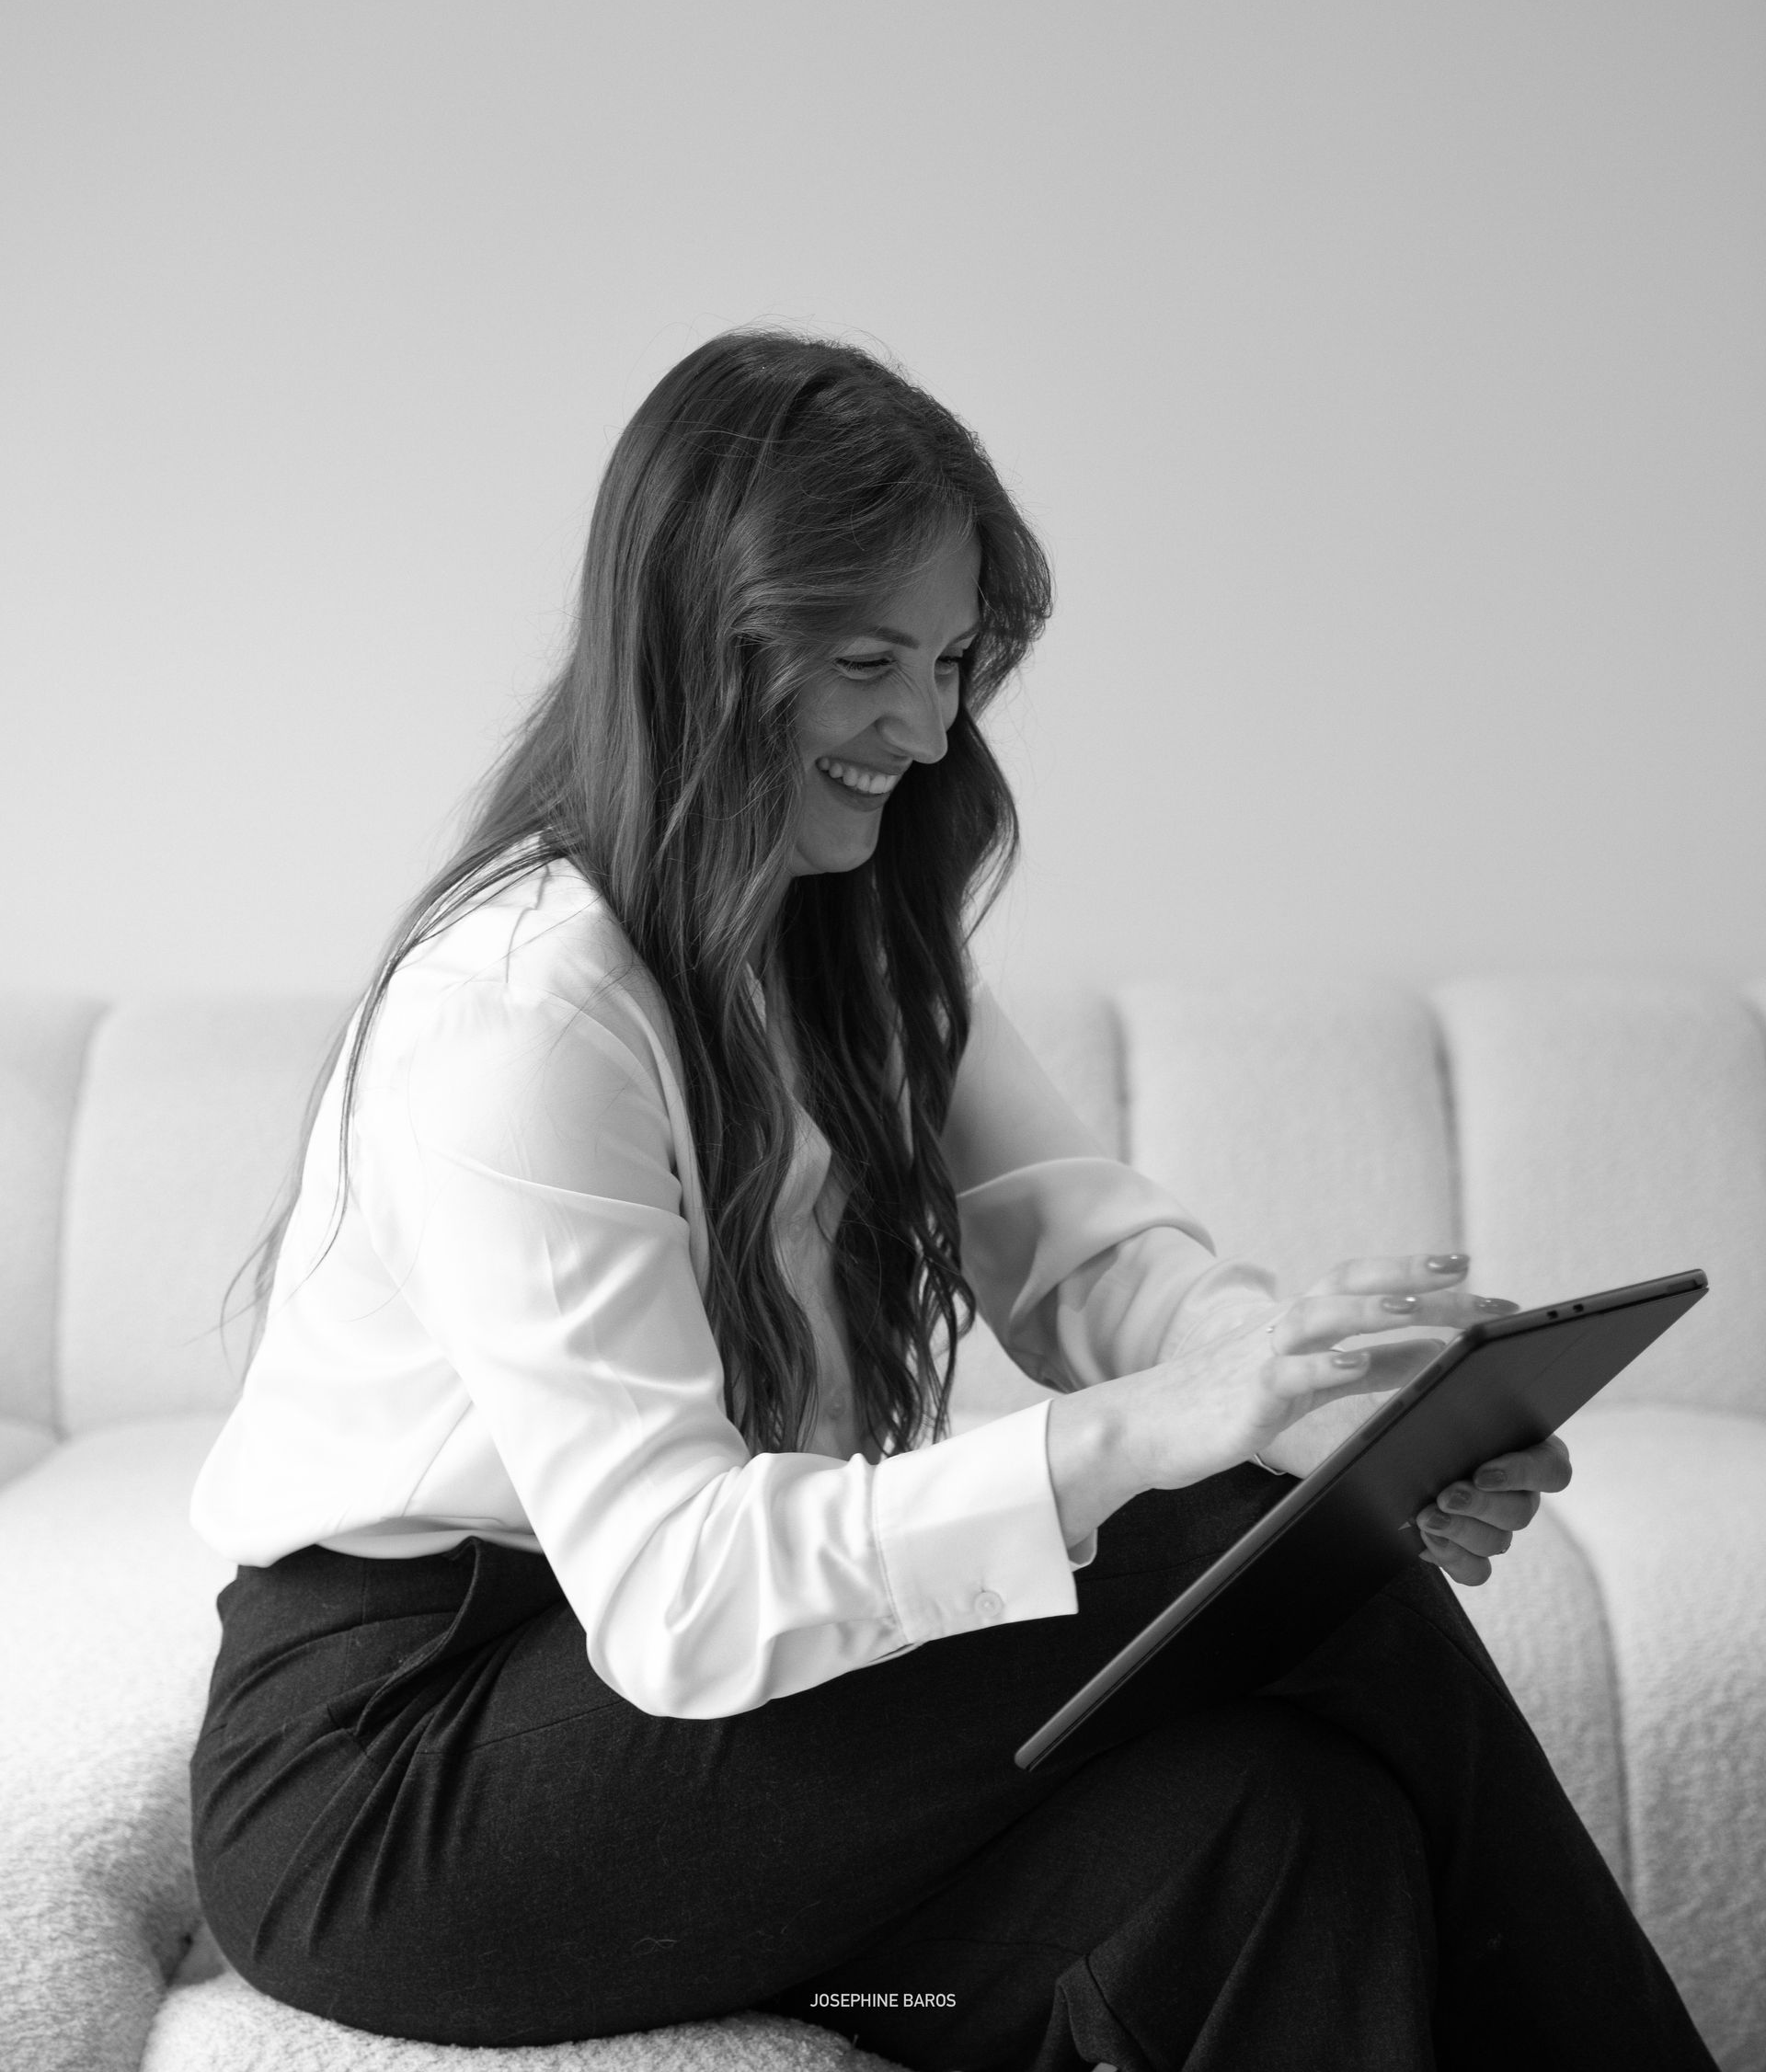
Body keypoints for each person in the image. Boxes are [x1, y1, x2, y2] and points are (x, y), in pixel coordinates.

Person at [188, 329, 1715, 2072]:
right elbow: (679, 1592)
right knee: (1257, 1544)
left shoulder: (845, 934)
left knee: (1283, 1823)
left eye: (950, 662)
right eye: (868, 663)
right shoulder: (525, 1009)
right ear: (700, 647)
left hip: (679, 1757)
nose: (924, 729)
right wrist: (1167, 1439)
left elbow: (1084, 1256)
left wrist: (1320, 1397)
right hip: (399, 1787)